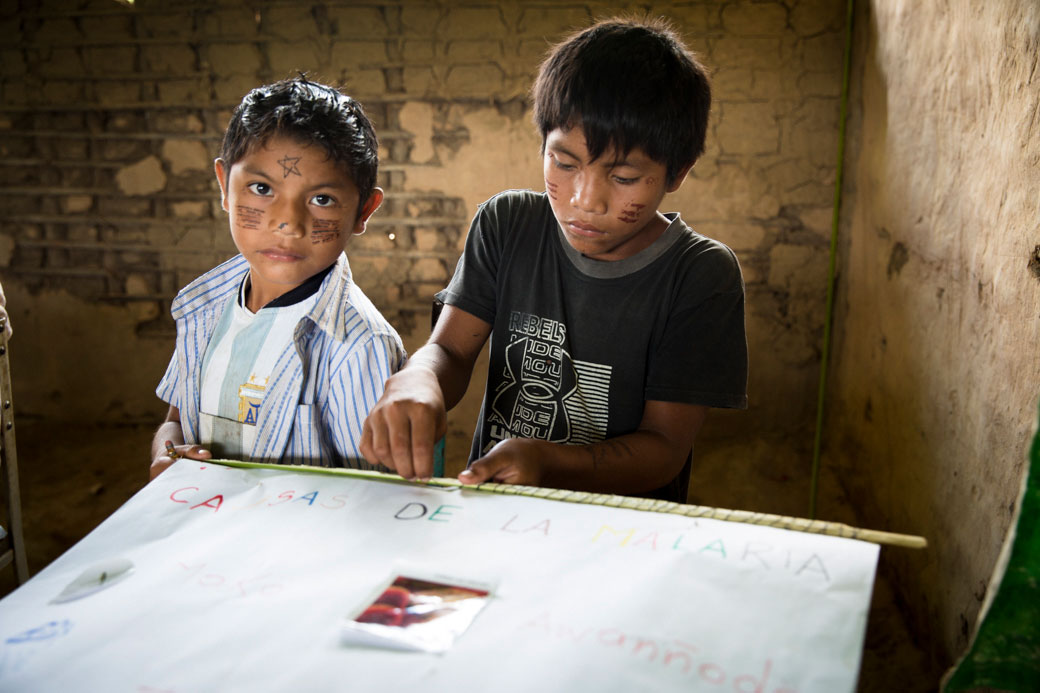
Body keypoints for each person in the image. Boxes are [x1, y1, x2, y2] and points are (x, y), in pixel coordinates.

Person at [360, 16, 748, 502]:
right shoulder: (507, 224)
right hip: (498, 516)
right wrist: (419, 379)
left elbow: (664, 449)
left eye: (624, 177)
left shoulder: (700, 274)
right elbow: (452, 352)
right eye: (564, 164)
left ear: (678, 172)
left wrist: (547, 461)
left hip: (622, 536)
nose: (585, 200)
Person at [150, 77, 405, 480]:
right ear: (224, 187)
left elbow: (375, 495)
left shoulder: (359, 346)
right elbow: (175, 420)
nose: (287, 222)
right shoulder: (204, 308)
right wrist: (165, 456)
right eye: (261, 188)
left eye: (322, 199)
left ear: (364, 211)